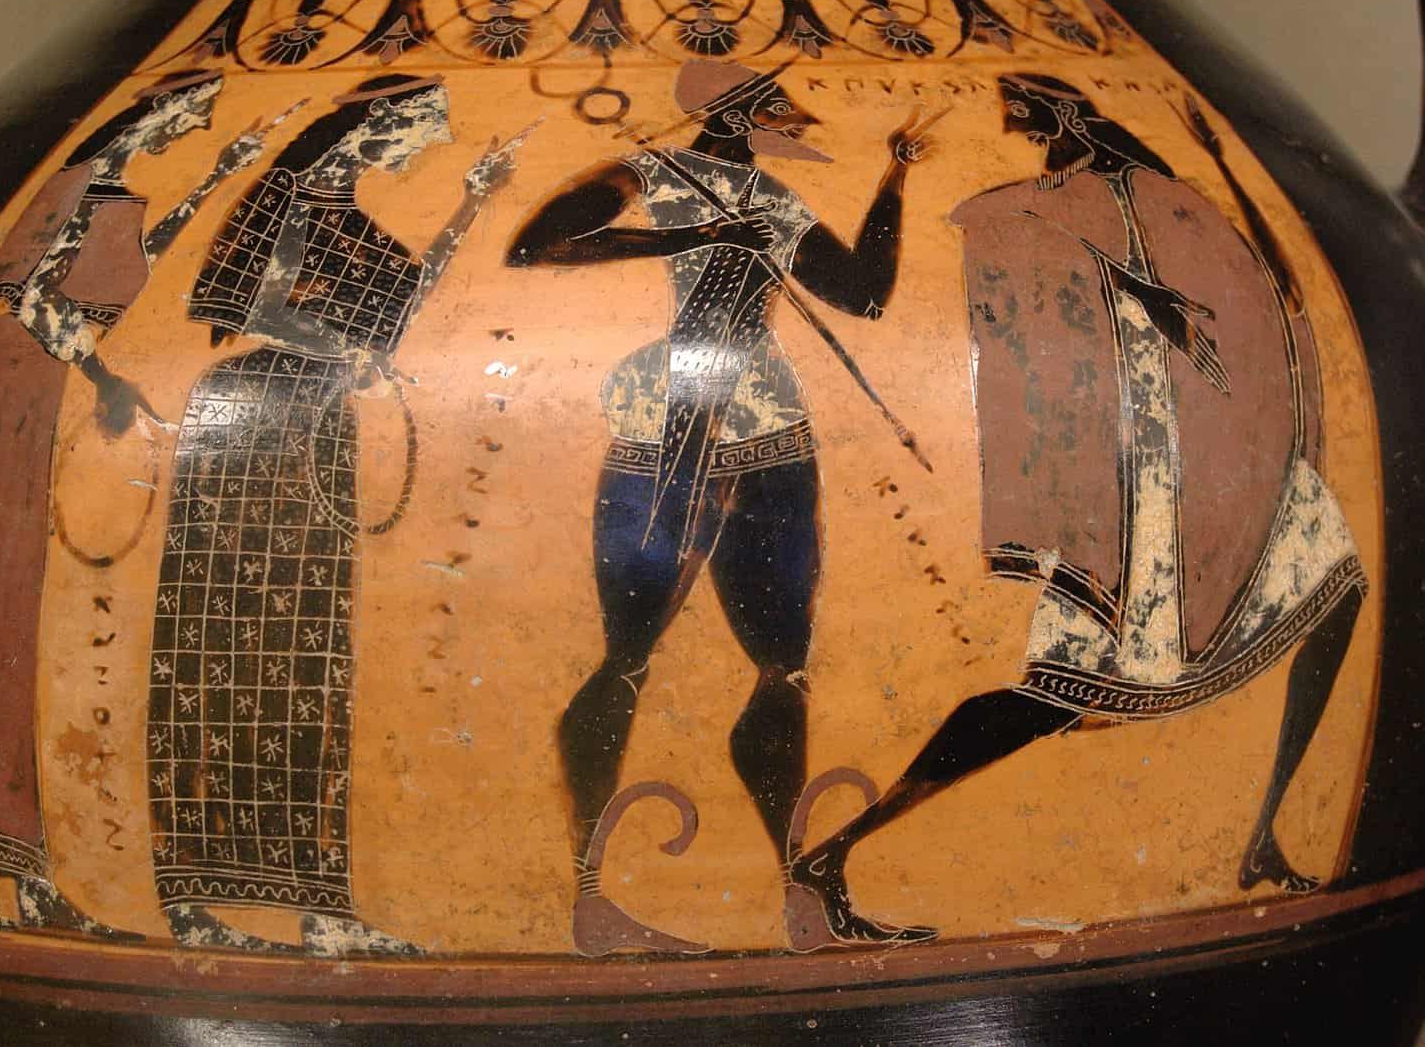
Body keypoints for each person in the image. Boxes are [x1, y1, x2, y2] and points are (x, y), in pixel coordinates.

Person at [785, 73, 1368, 949]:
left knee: (1337, 585)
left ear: (1061, 114)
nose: (1019, 134)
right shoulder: (1039, 206)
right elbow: (1013, 256)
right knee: (1047, 695)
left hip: (1211, 450)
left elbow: (1271, 287)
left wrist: (1216, 174)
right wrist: (1132, 284)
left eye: (1024, 118)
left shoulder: (1156, 195)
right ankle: (835, 852)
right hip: (1134, 487)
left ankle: (1262, 832)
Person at [506, 59, 935, 954]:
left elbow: (862, 294)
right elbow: (538, 244)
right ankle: (591, 903)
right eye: (776, 104)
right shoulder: (652, 170)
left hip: (770, 426)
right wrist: (693, 236)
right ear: (736, 111)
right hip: (669, 419)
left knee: (783, 667)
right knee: (626, 657)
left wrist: (893, 178)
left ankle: (799, 900)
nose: (795, 117)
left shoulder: (773, 197)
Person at [146, 73, 517, 956]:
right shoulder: (287, 199)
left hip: (316, 419)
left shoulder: (348, 217)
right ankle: (193, 897)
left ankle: (316, 901)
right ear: (374, 123)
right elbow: (251, 306)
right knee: (219, 651)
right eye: (423, 125)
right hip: (250, 420)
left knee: (310, 653)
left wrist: (470, 204)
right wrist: (335, 345)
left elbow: (397, 310)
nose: (430, 142)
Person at [0, 68, 258, 934]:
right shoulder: (71, 181)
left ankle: (21, 869)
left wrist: (214, 177)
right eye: (195, 111)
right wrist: (104, 380)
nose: (198, 121)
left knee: (9, 619)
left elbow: (126, 262)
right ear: (163, 107)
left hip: (34, 388)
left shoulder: (114, 194)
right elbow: (29, 297)